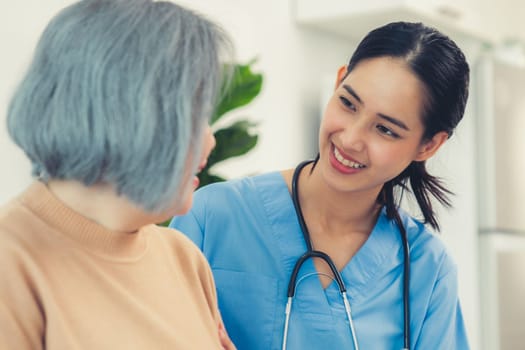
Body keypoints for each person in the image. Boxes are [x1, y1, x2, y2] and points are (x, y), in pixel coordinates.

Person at [170, 21, 471, 349]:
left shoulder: (427, 268)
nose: (351, 139)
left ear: (428, 146)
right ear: (339, 81)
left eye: (385, 130)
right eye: (348, 104)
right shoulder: (212, 216)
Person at [0, 0, 237, 349]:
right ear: (134, 116)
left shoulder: (185, 259)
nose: (210, 140)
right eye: (196, 117)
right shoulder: (11, 264)